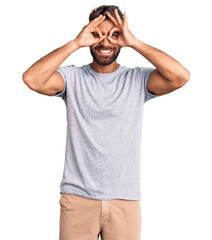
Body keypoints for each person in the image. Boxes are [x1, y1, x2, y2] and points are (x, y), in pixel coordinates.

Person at [22, 5, 190, 240]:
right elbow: (31, 79)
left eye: (114, 34)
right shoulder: (72, 77)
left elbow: (181, 77)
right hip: (78, 198)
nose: (105, 42)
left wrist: (134, 42)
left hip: (125, 199)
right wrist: (74, 43)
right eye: (97, 34)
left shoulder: (137, 79)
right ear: (88, 35)